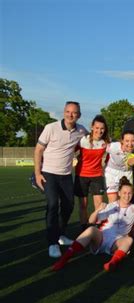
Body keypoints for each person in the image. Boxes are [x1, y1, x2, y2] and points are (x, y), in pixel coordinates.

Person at [34, 101, 87, 258]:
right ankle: (52, 243)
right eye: (68, 111)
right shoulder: (51, 128)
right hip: (48, 173)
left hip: (65, 175)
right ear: (63, 112)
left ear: (79, 115)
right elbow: (38, 150)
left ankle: (61, 234)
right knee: (52, 205)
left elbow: (92, 140)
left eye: (74, 112)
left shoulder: (81, 130)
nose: (70, 115)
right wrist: (37, 173)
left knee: (68, 205)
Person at [52, 177, 134, 271]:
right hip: (101, 238)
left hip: (117, 243)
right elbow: (91, 221)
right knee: (91, 230)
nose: (127, 196)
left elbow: (133, 226)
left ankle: (112, 263)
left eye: (129, 193)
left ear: (133, 193)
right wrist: (98, 210)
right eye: (124, 193)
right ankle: (63, 260)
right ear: (119, 193)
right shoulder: (111, 206)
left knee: (129, 240)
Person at [74, 115, 110, 231]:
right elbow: (69, 151)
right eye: (97, 127)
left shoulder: (106, 142)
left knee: (99, 206)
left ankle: (97, 228)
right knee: (83, 205)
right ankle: (84, 228)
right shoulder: (83, 140)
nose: (99, 131)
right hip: (81, 175)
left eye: (102, 128)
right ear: (92, 127)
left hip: (97, 176)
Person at [104, 131, 134, 202]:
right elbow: (101, 149)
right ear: (122, 141)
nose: (130, 144)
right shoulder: (113, 146)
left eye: (133, 141)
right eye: (127, 141)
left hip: (127, 173)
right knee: (113, 201)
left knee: (126, 201)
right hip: (112, 173)